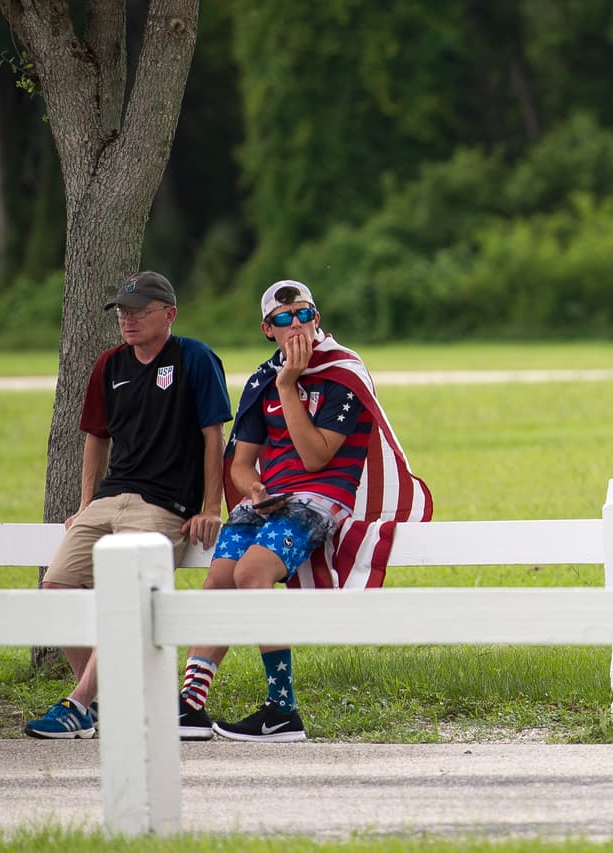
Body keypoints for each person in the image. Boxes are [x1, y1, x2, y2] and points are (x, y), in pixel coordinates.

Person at [177, 279, 432, 743]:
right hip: (272, 495)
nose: (295, 325)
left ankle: (282, 710)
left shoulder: (344, 372)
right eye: (282, 318)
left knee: (252, 573)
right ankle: (189, 706)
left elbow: (316, 457)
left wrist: (288, 384)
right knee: (219, 577)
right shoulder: (261, 379)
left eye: (304, 314)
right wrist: (252, 489)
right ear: (267, 329)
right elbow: (240, 462)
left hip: (323, 496)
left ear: (317, 318)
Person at [23, 271, 232, 739]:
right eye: (122, 311)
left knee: (128, 598)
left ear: (169, 314)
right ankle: (100, 702)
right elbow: (96, 438)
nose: (128, 319)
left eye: (139, 310)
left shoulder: (194, 358)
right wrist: (85, 502)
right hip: (108, 499)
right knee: (56, 589)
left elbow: (213, 436)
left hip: (163, 505)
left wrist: (210, 507)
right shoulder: (109, 365)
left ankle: (78, 703)